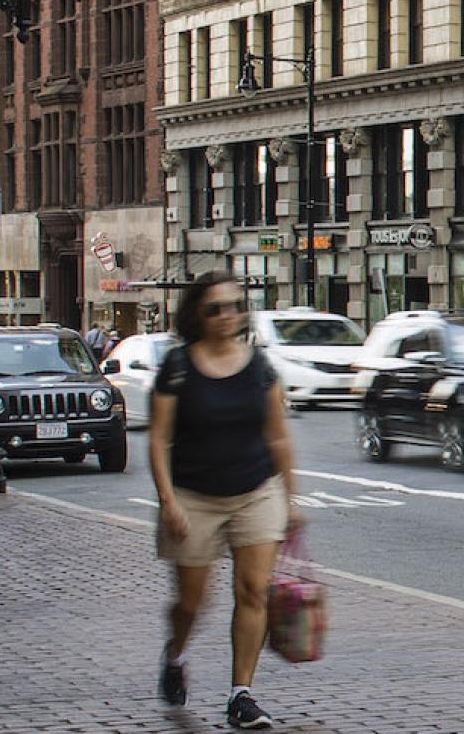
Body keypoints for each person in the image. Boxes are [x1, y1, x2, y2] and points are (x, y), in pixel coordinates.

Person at [151, 273, 303, 731]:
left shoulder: (260, 368)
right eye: (215, 308)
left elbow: (277, 435)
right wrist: (168, 502)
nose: (227, 316)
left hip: (256, 492)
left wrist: (290, 500)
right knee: (192, 603)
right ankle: (175, 655)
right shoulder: (178, 366)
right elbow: (159, 440)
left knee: (253, 592)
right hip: (194, 497)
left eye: (235, 306)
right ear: (198, 313)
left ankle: (242, 695)